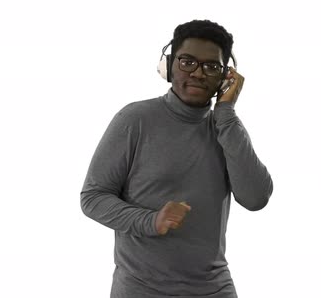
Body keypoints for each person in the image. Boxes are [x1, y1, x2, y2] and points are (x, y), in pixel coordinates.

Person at [80, 19, 273, 298]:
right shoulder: (135, 120)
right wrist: (151, 220)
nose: (198, 73)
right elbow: (93, 197)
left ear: (226, 76)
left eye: (211, 66)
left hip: (213, 288)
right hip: (141, 288)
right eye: (187, 61)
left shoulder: (226, 129)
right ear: (169, 66)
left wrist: (227, 115)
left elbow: (256, 199)